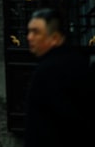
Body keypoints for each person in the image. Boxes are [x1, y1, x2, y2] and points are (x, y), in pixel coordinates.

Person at [24, 8, 92, 146]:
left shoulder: (48, 71)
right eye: (29, 31)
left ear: (54, 38)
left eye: (36, 32)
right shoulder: (79, 61)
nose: (29, 37)